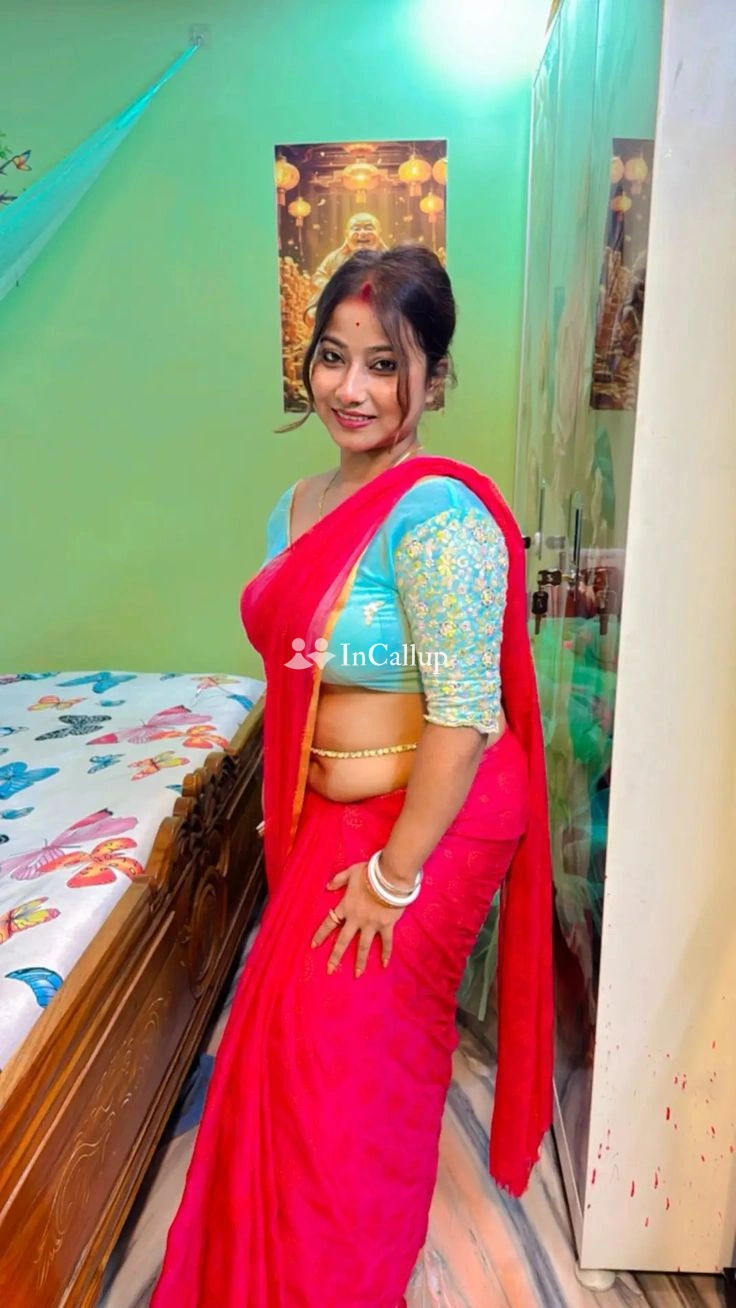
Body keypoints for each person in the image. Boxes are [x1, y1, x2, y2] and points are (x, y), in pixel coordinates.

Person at [152, 246, 553, 1308]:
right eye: (334, 357)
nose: (353, 388)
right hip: (339, 812)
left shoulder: (441, 516)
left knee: (352, 1055)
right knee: (285, 1045)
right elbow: (298, 669)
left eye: (386, 364)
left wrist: (392, 875)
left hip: (438, 819)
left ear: (434, 380)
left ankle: (341, 1276)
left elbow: (464, 716)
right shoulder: (297, 504)